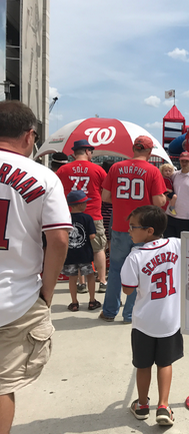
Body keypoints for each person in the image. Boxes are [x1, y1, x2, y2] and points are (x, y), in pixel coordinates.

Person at [0, 100, 71, 433]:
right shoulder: (44, 177)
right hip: (15, 298)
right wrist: (46, 292)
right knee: (1, 385)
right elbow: (58, 239)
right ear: (29, 136)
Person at [122, 206, 182, 426]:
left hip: (143, 321)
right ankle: (164, 405)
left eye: (132, 227)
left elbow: (128, 289)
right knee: (165, 363)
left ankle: (142, 405)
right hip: (169, 320)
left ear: (148, 230)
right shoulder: (176, 244)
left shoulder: (135, 255)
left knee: (143, 364)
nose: (128, 230)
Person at [100, 135, 166, 323]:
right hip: (143, 228)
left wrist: (122, 201)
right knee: (140, 271)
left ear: (133, 148)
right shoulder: (152, 171)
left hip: (121, 225)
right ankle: (130, 313)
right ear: (150, 151)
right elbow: (158, 201)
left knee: (115, 270)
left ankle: (109, 311)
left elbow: (106, 196)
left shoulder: (116, 168)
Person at [56, 138, 108, 293]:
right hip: (93, 214)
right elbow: (106, 192)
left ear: (74, 153)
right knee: (98, 248)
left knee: (77, 247)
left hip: (70, 215)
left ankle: (81, 282)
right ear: (87, 151)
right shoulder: (98, 170)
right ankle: (103, 280)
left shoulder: (63, 170)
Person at [62, 190, 102, 312]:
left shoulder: (66, 218)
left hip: (70, 255)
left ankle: (74, 303)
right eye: (85, 202)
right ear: (80, 205)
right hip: (85, 255)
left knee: (72, 278)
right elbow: (92, 236)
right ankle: (91, 301)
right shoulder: (87, 218)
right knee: (90, 276)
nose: (86, 204)